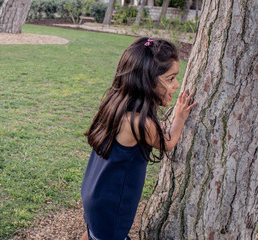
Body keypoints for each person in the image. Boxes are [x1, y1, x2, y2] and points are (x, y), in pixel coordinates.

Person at [80, 37, 197, 240]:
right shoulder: (139, 124)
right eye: (170, 79)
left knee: (95, 232)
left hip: (95, 193)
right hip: (112, 205)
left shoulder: (116, 104)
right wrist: (179, 118)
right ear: (147, 81)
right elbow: (167, 142)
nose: (177, 85)